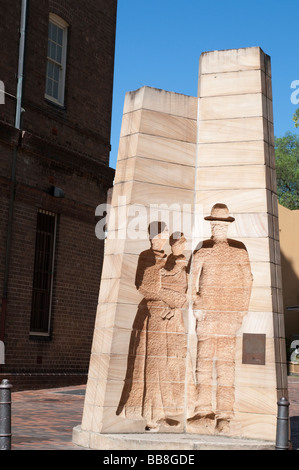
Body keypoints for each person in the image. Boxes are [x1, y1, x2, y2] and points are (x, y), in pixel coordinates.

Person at [188, 203, 253, 433]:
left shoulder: (239, 252)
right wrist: (196, 304)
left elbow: (248, 282)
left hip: (229, 315)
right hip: (206, 314)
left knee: (226, 365)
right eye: (215, 224)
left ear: (228, 226)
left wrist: (242, 310)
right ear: (210, 226)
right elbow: (190, 282)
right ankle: (202, 409)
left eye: (222, 225)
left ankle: (224, 414)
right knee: (203, 364)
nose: (218, 229)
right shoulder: (202, 251)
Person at [116, 226, 188, 431]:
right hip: (153, 315)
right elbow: (145, 287)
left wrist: (176, 305)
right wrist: (169, 295)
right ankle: (150, 415)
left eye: (165, 234)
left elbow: (182, 287)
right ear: (153, 237)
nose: (163, 237)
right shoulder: (146, 256)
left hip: (172, 317)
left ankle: (164, 411)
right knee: (152, 365)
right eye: (161, 234)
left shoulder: (171, 258)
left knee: (170, 364)